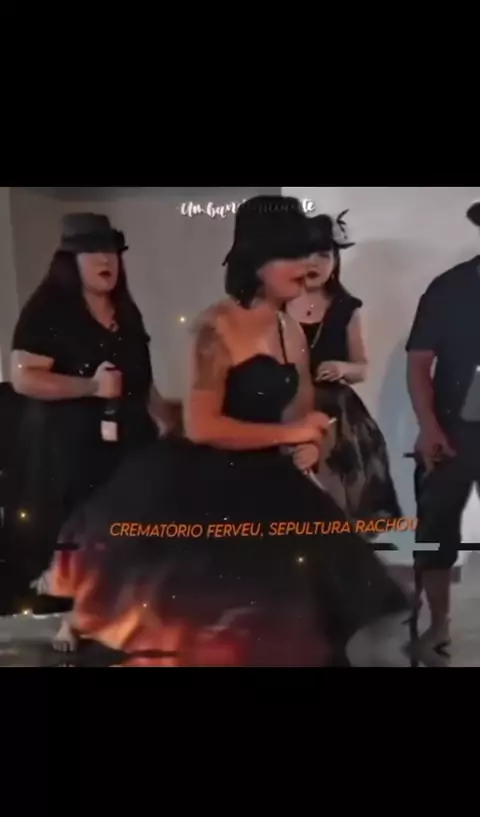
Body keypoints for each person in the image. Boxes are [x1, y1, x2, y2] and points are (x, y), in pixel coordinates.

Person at [35, 196, 408, 667]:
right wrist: (291, 435)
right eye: (291, 255)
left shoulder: (290, 330)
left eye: (310, 254)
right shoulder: (216, 327)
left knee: (304, 611)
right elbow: (202, 426)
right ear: (256, 261)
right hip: (203, 480)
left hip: (270, 479)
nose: (307, 267)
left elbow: (301, 414)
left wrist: (312, 445)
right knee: (208, 614)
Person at [10, 213, 174, 645]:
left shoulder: (125, 311)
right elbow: (24, 377)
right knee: (82, 529)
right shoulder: (48, 311)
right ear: (71, 260)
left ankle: (128, 612)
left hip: (129, 438)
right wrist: (90, 386)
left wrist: (165, 422)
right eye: (94, 252)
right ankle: (76, 615)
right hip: (71, 445)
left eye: (112, 252)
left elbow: (143, 379)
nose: (106, 260)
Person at [288, 212, 401, 523]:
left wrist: (341, 367)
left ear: (335, 260)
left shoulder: (345, 308)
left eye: (324, 255)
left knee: (341, 502)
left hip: (338, 416)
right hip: (287, 410)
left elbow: (362, 369)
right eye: (305, 254)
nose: (314, 263)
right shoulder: (277, 305)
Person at [406, 201, 480, 666]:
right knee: (436, 532)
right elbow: (418, 362)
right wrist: (429, 425)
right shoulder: (449, 288)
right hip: (453, 432)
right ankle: (438, 623)